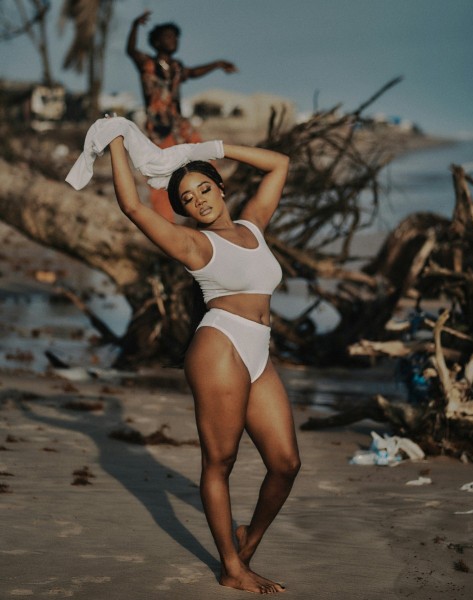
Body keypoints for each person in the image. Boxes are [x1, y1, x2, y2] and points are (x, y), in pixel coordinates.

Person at [108, 132, 300, 594]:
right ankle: (231, 568)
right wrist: (115, 139)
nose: (198, 202)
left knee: (286, 463)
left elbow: (279, 165)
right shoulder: (194, 245)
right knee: (221, 460)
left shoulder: (253, 226)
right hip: (220, 346)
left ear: (221, 189)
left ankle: (245, 545)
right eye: (187, 200)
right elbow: (134, 207)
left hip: (259, 347)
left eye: (204, 189)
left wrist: (209, 149)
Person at [127, 11, 237, 220]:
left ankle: (218, 207)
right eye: (168, 37)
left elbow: (194, 72)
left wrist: (218, 64)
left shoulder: (176, 67)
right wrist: (134, 26)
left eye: (175, 37)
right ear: (157, 42)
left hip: (180, 123)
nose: (174, 40)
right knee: (161, 176)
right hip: (159, 127)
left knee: (205, 156)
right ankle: (167, 225)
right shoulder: (147, 64)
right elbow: (131, 50)